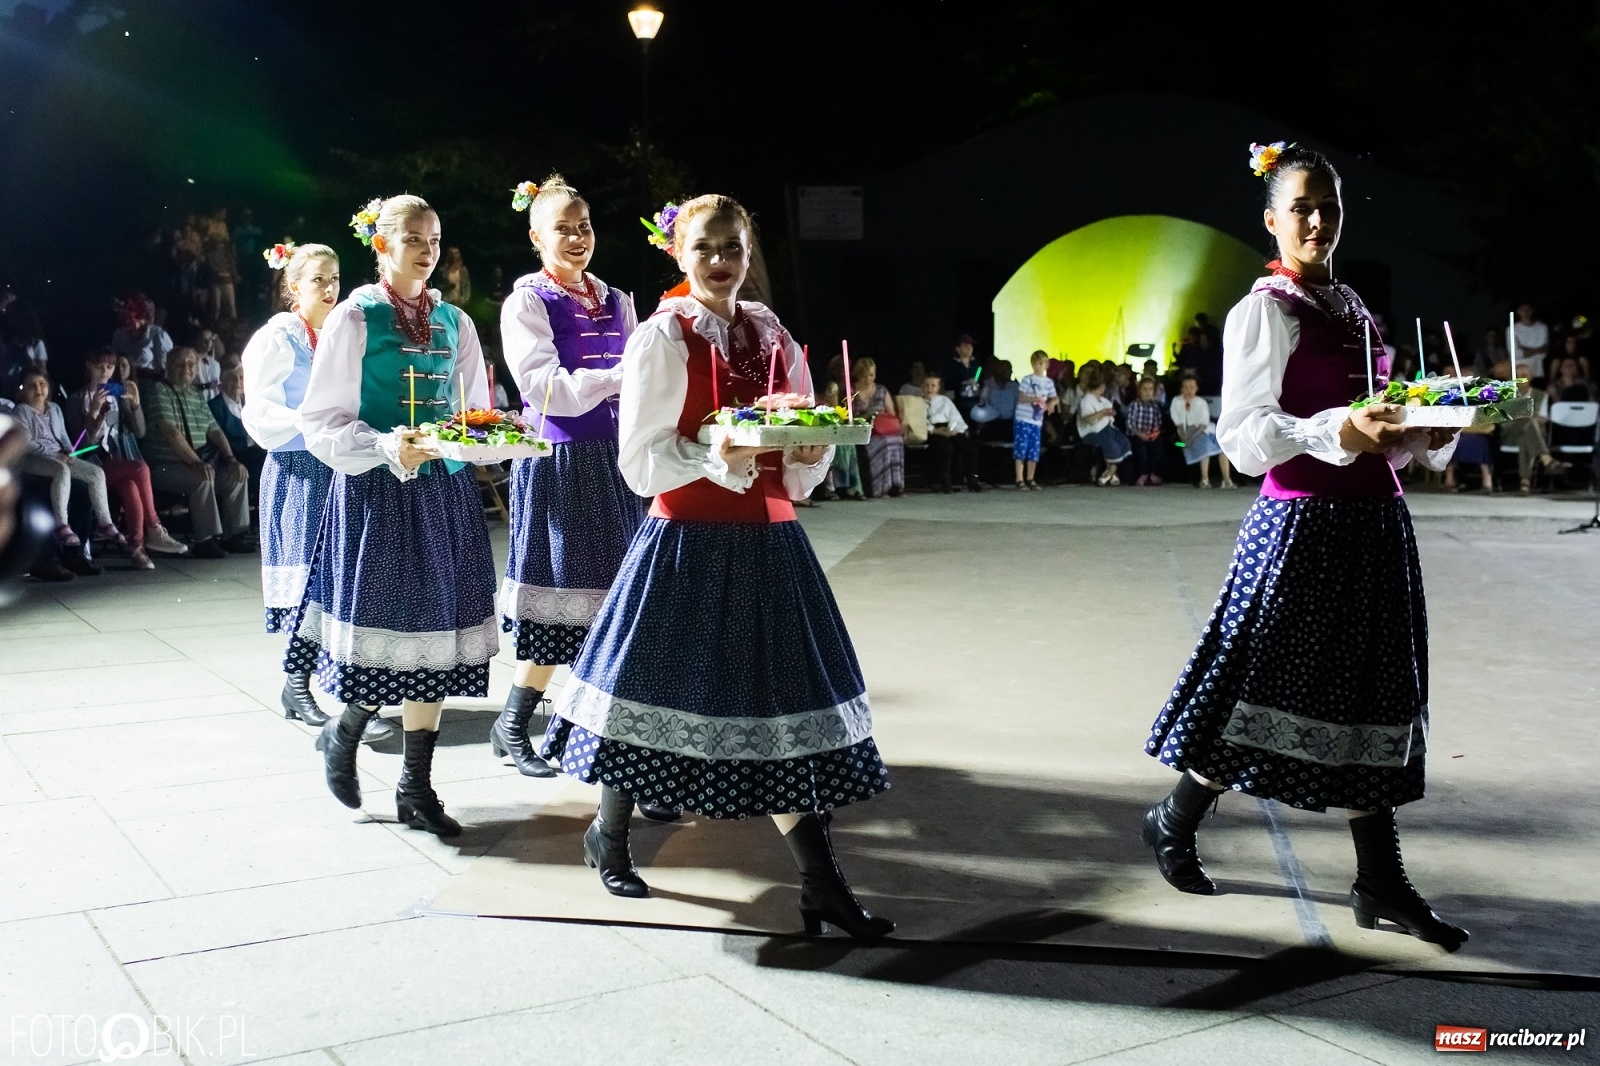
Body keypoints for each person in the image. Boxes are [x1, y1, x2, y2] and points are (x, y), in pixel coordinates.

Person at [539, 194, 893, 938]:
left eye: (733, 247)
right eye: (706, 248)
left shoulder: (770, 332)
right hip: (687, 536)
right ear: (679, 253)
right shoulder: (664, 335)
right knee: (646, 693)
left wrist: (806, 451)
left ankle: (820, 881)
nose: (723, 261)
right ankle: (609, 832)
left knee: (783, 710)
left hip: (770, 537)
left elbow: (798, 439)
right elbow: (640, 461)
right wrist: (711, 455)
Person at [1142, 143, 1467, 950]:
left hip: (1374, 523)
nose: (1318, 220)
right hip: (1303, 524)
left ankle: (1378, 880)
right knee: (1256, 691)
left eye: (1329, 206)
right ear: (1272, 220)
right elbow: (1245, 438)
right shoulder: (1268, 308)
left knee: (1373, 695)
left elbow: (1374, 427)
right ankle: (1175, 818)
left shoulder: (1349, 304)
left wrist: (1416, 429)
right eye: (1302, 208)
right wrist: (1338, 430)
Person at [291, 194, 498, 839]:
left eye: (434, 238)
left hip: (442, 493)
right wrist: (385, 444)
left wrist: (484, 440)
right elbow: (320, 421)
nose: (427, 249)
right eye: (413, 237)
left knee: (433, 640)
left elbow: (477, 413)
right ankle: (345, 728)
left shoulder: (456, 322)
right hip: (380, 491)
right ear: (381, 245)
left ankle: (415, 786)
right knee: (387, 636)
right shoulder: (357, 315)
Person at [493, 175, 644, 782]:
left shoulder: (616, 297)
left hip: (613, 458)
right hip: (560, 461)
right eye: (563, 227)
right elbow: (544, 388)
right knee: (561, 594)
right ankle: (515, 721)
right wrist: (621, 374)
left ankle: (581, 728)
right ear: (537, 237)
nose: (578, 237)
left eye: (584, 225)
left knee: (611, 597)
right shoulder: (527, 301)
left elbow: (641, 378)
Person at [242, 241, 391, 739]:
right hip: (300, 468)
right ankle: (296, 683)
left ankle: (341, 688)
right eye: (318, 280)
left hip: (340, 466)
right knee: (306, 572)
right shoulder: (279, 339)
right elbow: (259, 413)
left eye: (335, 279)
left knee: (340, 577)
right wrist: (313, 424)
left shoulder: (340, 333)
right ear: (293, 287)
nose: (330, 289)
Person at [64, 347, 187, 568]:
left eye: (110, 367)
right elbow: (79, 446)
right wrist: (92, 414)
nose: (105, 371)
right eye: (100, 366)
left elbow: (140, 432)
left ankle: (137, 548)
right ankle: (155, 529)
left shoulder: (117, 396)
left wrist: (135, 403)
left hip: (116, 462)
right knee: (139, 468)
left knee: (131, 485)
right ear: (89, 366)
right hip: (91, 464)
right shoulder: (76, 399)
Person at [142, 346, 253, 558]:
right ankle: (206, 540)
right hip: (166, 466)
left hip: (197, 461)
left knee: (236, 474)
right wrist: (196, 462)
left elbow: (215, 430)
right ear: (168, 366)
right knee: (201, 478)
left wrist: (231, 459)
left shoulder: (196, 395)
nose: (187, 368)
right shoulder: (158, 390)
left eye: (191, 364)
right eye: (180, 364)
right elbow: (171, 433)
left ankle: (234, 535)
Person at [14, 367, 125, 558]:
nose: (38, 389)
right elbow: (26, 443)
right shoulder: (21, 411)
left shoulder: (55, 409)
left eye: (42, 384)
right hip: (33, 460)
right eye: (32, 385)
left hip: (59, 456)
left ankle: (104, 523)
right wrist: (55, 454)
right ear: (22, 390)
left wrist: (69, 451)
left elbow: (63, 437)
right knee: (61, 470)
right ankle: (61, 525)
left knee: (96, 473)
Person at [851, 356, 905, 497]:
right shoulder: (852, 391)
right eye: (865, 375)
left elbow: (891, 414)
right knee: (885, 443)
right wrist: (867, 415)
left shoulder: (881, 390)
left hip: (882, 429)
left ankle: (895, 486)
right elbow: (848, 418)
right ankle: (880, 488)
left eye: (872, 375)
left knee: (895, 441)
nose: (869, 378)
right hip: (863, 432)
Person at [1170, 373, 1234, 489]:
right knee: (1204, 446)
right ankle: (1205, 480)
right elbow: (1178, 424)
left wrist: (1190, 439)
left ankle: (1226, 479)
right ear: (1181, 388)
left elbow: (1202, 425)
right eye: (1186, 387)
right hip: (1187, 432)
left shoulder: (1201, 402)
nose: (1189, 390)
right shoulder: (1176, 401)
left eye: (1192, 387)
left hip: (1202, 431)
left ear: (1196, 388)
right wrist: (1185, 439)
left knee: (1222, 446)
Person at [922, 374, 978, 493]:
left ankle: (972, 480)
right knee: (945, 448)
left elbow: (954, 417)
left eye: (933, 385)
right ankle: (945, 482)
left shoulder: (945, 400)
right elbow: (921, 421)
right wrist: (934, 430)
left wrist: (952, 430)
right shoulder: (919, 401)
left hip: (949, 429)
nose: (930, 388)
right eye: (927, 385)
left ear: (938, 387)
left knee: (970, 447)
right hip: (932, 431)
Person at [1076, 365, 1130, 485]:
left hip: (1106, 430)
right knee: (1110, 442)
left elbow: (1110, 416)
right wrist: (1103, 413)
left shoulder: (1104, 400)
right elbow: (1088, 420)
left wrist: (1111, 413)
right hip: (1092, 432)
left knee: (1123, 441)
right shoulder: (1086, 400)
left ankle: (1110, 473)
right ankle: (1110, 474)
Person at [1012, 351, 1056, 489]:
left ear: (1046, 364)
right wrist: (1034, 399)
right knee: (1021, 447)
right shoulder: (1027, 379)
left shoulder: (1048, 382)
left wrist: (1051, 404)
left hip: (1036, 421)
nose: (1039, 366)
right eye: (1036, 363)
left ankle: (1031, 478)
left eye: (1042, 363)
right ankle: (1019, 478)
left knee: (1034, 449)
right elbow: (1021, 397)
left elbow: (1055, 397)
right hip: (1023, 418)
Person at [111, 294, 173, 374]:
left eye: (130, 316)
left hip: (148, 383)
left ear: (142, 315)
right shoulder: (119, 334)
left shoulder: (158, 335)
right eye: (123, 316)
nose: (126, 320)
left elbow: (164, 370)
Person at [1124, 376, 1165, 486]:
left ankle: (1151, 473)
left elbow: (1158, 422)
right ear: (1139, 391)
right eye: (1145, 389)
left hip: (1150, 435)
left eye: (1150, 389)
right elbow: (1130, 423)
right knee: (1142, 449)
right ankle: (1143, 474)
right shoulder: (1135, 405)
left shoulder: (1155, 406)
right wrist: (1140, 434)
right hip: (1136, 434)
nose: (1148, 392)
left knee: (1158, 449)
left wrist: (1154, 432)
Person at [943, 333, 982, 422]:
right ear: (958, 349)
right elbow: (949, 384)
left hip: (975, 403)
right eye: (965, 345)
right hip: (960, 404)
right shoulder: (953, 365)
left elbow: (981, 381)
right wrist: (965, 382)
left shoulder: (976, 363)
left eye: (971, 345)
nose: (969, 348)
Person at [1513, 303, 1550, 383]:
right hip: (1520, 373)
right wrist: (1537, 350)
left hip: (1538, 371)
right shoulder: (1512, 329)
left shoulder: (1542, 328)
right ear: (1518, 312)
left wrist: (1524, 348)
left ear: (1533, 311)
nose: (1526, 312)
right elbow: (1516, 353)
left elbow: (1544, 352)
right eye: (1523, 310)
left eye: (1528, 309)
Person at [193, 328, 225, 401]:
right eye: (204, 340)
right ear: (197, 341)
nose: (208, 343)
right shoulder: (192, 362)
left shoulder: (215, 364)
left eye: (210, 339)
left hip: (213, 403)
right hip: (198, 400)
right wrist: (206, 386)